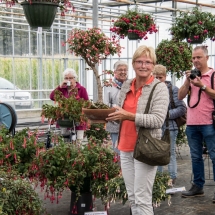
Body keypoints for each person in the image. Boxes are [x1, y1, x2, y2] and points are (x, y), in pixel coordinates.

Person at [106, 45, 169, 214]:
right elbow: (120, 112)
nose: (143, 65)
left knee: (143, 198)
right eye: (139, 61)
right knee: (133, 197)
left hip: (145, 148)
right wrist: (103, 115)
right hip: (125, 147)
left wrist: (130, 115)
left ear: (153, 65)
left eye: (148, 62)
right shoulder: (127, 85)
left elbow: (157, 119)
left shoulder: (159, 88)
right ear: (133, 64)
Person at [178, 45, 215, 201]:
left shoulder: (213, 75)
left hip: (209, 123)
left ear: (207, 58)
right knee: (195, 157)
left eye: (198, 57)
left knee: (214, 156)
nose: (195, 60)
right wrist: (188, 82)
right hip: (192, 124)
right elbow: (180, 96)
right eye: (193, 58)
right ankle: (198, 186)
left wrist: (202, 86)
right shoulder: (192, 76)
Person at [153, 64, 187, 185]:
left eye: (160, 77)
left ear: (165, 76)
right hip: (155, 128)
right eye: (155, 77)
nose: (157, 79)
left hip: (170, 127)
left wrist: (165, 115)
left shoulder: (173, 89)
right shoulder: (150, 90)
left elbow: (182, 108)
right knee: (158, 153)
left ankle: (172, 178)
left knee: (170, 153)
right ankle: (158, 179)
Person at [50, 68, 89, 133]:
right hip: (64, 120)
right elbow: (52, 97)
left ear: (75, 78)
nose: (68, 80)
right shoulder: (62, 89)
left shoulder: (81, 89)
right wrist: (60, 86)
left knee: (78, 140)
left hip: (78, 120)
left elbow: (87, 104)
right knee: (65, 140)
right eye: (66, 78)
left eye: (70, 78)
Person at [104, 60, 128, 154]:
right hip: (114, 122)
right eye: (120, 70)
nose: (123, 72)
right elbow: (105, 104)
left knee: (128, 151)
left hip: (128, 121)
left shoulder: (131, 84)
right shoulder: (109, 85)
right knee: (117, 150)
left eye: (125, 70)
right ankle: (118, 168)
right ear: (115, 72)